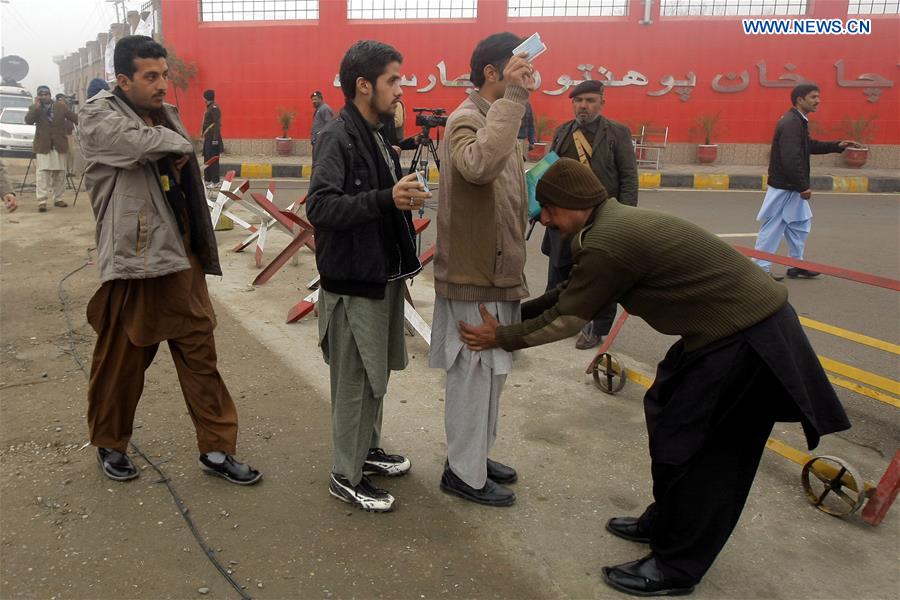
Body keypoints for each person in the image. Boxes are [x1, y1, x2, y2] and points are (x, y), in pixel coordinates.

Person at [458, 158, 850, 597]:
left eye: (548, 208)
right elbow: (572, 293)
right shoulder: (606, 227)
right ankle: (668, 522)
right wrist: (516, 315)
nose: (544, 218)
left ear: (575, 203)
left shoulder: (609, 240)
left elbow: (567, 320)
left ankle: (676, 567)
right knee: (668, 416)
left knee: (704, 455)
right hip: (719, 334)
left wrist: (501, 337)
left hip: (748, 342)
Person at [77, 35, 261, 486]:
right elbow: (137, 144)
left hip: (181, 257)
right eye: (150, 76)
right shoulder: (98, 114)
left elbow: (175, 150)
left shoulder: (165, 113)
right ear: (123, 80)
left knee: (201, 352)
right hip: (136, 263)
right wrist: (177, 144)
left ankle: (217, 449)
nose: (162, 85)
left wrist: (176, 143)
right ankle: (109, 442)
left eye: (163, 75)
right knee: (122, 361)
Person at [306, 40, 430, 513]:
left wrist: (397, 196)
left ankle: (367, 451)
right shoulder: (337, 136)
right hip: (352, 282)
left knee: (374, 374)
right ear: (364, 85)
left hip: (379, 273)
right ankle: (345, 473)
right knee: (355, 381)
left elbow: (381, 193)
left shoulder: (374, 132)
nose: (401, 90)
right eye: (393, 80)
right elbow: (319, 206)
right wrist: (385, 200)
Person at [430, 32, 532, 507]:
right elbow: (477, 168)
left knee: (494, 372)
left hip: (501, 272)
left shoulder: (498, 120)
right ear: (492, 73)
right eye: (516, 68)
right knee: (471, 374)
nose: (526, 76)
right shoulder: (465, 119)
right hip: (473, 276)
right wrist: (514, 100)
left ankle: (475, 456)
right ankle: (462, 472)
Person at [542, 79, 638, 349]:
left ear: (601, 102)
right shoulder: (563, 132)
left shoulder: (617, 133)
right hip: (564, 219)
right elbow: (548, 174)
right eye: (579, 101)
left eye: (590, 100)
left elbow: (629, 177)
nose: (583, 106)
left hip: (602, 218)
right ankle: (556, 320)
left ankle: (594, 328)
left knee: (600, 276)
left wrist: (626, 217)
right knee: (560, 271)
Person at [753, 84, 857, 280]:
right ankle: (760, 268)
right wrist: (802, 186)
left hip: (791, 185)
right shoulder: (792, 123)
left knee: (800, 224)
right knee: (774, 226)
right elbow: (791, 157)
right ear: (800, 99)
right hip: (786, 187)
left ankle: (796, 265)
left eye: (818, 96)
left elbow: (808, 146)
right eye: (813, 97)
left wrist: (837, 145)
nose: (818, 100)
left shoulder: (797, 120)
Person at [25, 85, 78, 212]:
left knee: (60, 173)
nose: (44, 97)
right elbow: (28, 120)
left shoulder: (60, 106)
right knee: (43, 174)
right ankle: (42, 201)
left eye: (46, 94)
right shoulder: (35, 108)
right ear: (38, 96)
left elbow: (74, 118)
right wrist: (35, 106)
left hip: (59, 144)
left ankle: (58, 198)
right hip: (43, 145)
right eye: (41, 95)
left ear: (50, 95)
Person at [201, 89, 223, 188]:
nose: (203, 99)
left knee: (213, 160)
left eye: (203, 97)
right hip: (208, 137)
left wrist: (215, 139)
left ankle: (215, 181)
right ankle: (208, 180)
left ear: (206, 97)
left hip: (213, 139)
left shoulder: (214, 108)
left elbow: (217, 124)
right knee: (207, 158)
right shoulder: (209, 107)